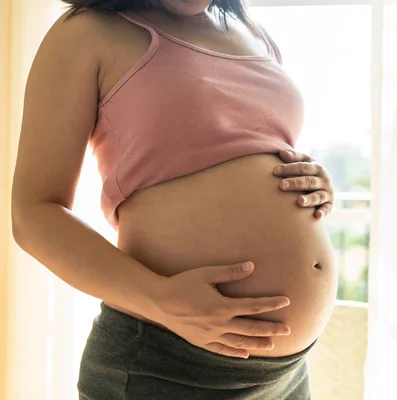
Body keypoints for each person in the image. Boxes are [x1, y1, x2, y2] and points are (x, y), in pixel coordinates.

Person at [10, 0, 339, 398]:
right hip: (165, 365)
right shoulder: (87, 32)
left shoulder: (250, 31)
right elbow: (33, 214)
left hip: (284, 375)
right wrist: (159, 298)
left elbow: (243, 151)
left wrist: (313, 181)